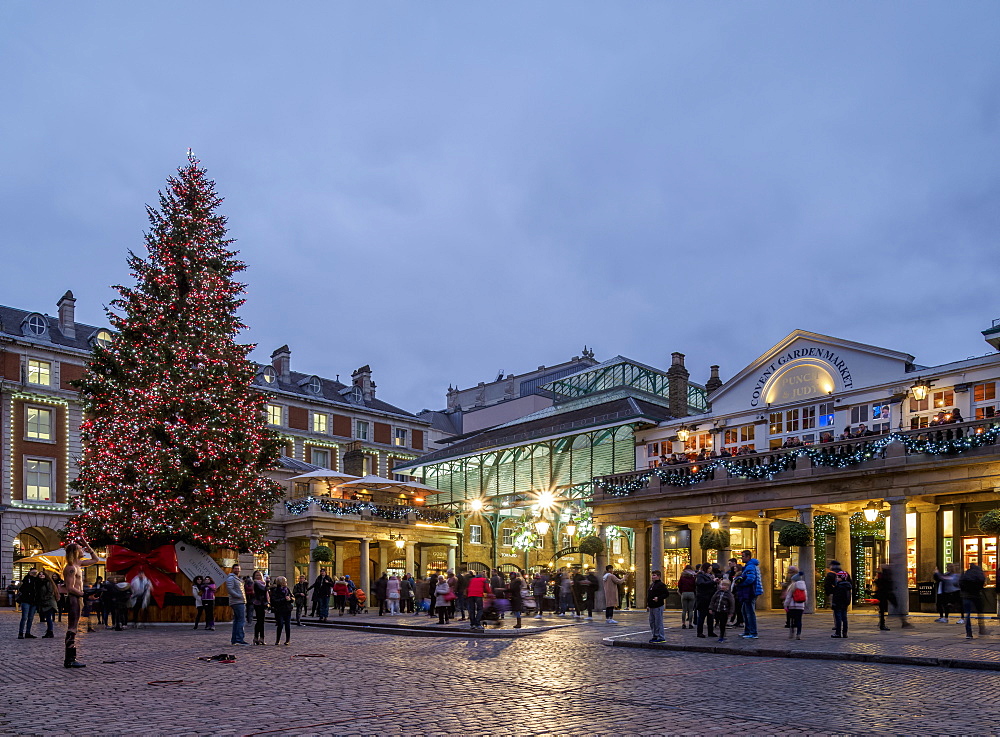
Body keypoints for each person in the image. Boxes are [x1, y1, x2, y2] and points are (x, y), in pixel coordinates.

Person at [62, 540, 100, 668]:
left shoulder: (79, 565)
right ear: (75, 552)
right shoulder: (71, 568)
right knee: (72, 627)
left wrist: (89, 546)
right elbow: (70, 588)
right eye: (81, 548)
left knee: (74, 626)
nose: (83, 550)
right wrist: (84, 595)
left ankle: (71, 657)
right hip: (74, 598)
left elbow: (96, 559)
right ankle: (69, 658)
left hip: (78, 598)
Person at [734, 550, 763, 639]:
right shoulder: (749, 566)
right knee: (745, 611)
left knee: (750, 612)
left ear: (748, 557)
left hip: (751, 591)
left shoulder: (750, 567)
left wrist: (740, 584)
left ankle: (753, 632)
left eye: (743, 556)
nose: (741, 558)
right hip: (750, 591)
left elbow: (750, 579)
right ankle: (747, 631)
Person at [873, 564, 911, 631]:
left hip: (884, 593)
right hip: (886, 593)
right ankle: (902, 622)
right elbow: (887, 582)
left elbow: (878, 582)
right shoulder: (886, 574)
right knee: (893, 607)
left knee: (883, 609)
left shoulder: (881, 574)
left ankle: (882, 623)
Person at [824, 560, 853, 639]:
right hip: (845, 599)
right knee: (844, 616)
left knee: (838, 615)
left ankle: (838, 631)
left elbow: (827, 586)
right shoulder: (845, 574)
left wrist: (830, 592)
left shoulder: (831, 574)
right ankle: (844, 632)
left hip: (837, 598)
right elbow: (851, 584)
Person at [959, 562, 988, 639]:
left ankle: (969, 633)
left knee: (968, 614)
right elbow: (982, 581)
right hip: (977, 595)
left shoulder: (967, 573)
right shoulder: (979, 573)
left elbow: (960, 582)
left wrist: (964, 591)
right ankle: (981, 628)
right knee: (980, 612)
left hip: (966, 595)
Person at [225, 563, 248, 645]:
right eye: (236, 569)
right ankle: (239, 639)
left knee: (237, 620)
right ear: (232, 569)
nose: (237, 570)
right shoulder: (231, 578)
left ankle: (235, 639)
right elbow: (230, 589)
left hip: (239, 601)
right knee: (241, 620)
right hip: (237, 601)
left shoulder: (237, 578)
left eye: (238, 569)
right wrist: (239, 596)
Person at [694, 563, 718, 638]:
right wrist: (713, 581)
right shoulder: (700, 575)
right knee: (702, 616)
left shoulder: (710, 576)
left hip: (710, 598)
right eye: (709, 568)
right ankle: (699, 632)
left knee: (710, 616)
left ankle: (710, 631)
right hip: (703, 598)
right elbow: (701, 584)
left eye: (711, 568)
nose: (710, 570)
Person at [16, 568, 40, 639]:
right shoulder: (26, 579)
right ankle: (20, 633)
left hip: (34, 601)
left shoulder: (37, 580)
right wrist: (29, 577)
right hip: (26, 601)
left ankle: (28, 633)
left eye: (36, 572)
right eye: (33, 572)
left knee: (31, 618)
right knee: (24, 617)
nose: (34, 573)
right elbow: (22, 588)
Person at [646, 570, 669, 643]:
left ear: (658, 576)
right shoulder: (652, 585)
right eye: (652, 575)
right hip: (652, 606)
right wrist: (648, 604)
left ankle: (661, 637)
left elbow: (666, 594)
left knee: (658, 622)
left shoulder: (661, 585)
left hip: (658, 606)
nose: (652, 577)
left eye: (654, 575)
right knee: (652, 622)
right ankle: (655, 635)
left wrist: (658, 598)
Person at [270, 576, 293, 646]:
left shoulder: (287, 589)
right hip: (279, 610)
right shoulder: (275, 590)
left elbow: (292, 597)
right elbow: (274, 601)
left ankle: (287, 639)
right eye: (285, 581)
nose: (286, 583)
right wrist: (283, 599)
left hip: (288, 609)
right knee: (280, 624)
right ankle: (278, 640)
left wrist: (291, 599)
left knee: (287, 625)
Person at [783, 574, 807, 640]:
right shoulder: (803, 587)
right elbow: (806, 597)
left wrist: (785, 605)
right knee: (799, 620)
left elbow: (788, 597)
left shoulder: (792, 586)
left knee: (792, 620)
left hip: (792, 606)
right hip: (800, 606)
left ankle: (792, 633)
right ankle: (798, 634)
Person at [36, 570, 59, 638]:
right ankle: (49, 631)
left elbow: (50, 592)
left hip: (49, 603)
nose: (41, 575)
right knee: (47, 617)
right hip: (43, 603)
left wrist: (44, 598)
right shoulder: (38, 583)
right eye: (40, 574)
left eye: (42, 574)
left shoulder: (48, 582)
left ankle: (50, 632)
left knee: (49, 618)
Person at [250, 570, 269, 645]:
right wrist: (268, 583)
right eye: (257, 575)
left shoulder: (262, 583)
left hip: (263, 603)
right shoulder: (256, 583)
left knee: (261, 621)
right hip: (258, 603)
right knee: (260, 621)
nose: (258, 577)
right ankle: (258, 637)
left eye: (259, 575)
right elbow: (264, 590)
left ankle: (260, 638)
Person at [677, 565, 696, 629]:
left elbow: (679, 585)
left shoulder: (682, 576)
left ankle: (683, 623)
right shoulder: (693, 576)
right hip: (691, 593)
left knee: (684, 610)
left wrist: (681, 591)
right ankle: (690, 623)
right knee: (691, 610)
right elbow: (695, 585)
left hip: (684, 593)